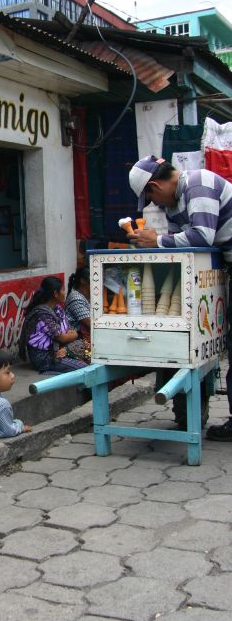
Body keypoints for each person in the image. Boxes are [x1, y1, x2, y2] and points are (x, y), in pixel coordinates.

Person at [128, 155, 231, 439]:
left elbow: (202, 236)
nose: (155, 204)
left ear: (155, 185)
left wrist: (157, 240)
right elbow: (182, 250)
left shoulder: (198, 184)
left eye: (151, 197)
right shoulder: (173, 206)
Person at [19, 276, 88, 374]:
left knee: (90, 356)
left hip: (59, 350)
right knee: (84, 368)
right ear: (55, 293)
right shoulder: (43, 314)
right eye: (63, 290)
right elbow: (62, 338)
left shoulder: (57, 309)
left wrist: (70, 336)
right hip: (45, 358)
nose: (65, 293)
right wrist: (75, 334)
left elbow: (68, 329)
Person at [65, 267, 91, 341]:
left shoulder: (87, 295)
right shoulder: (76, 298)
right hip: (75, 340)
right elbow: (90, 324)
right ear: (83, 281)